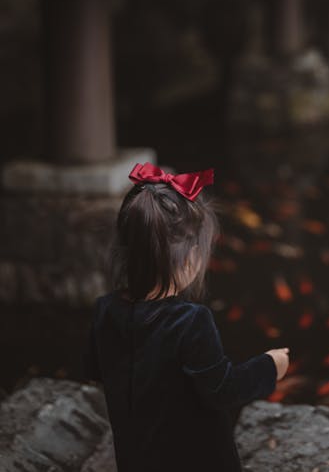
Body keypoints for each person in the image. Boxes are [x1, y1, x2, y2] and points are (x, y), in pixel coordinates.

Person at [82, 162, 290, 472]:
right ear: (190, 259)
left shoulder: (104, 311)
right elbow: (223, 389)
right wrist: (270, 367)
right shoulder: (191, 321)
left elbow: (95, 369)